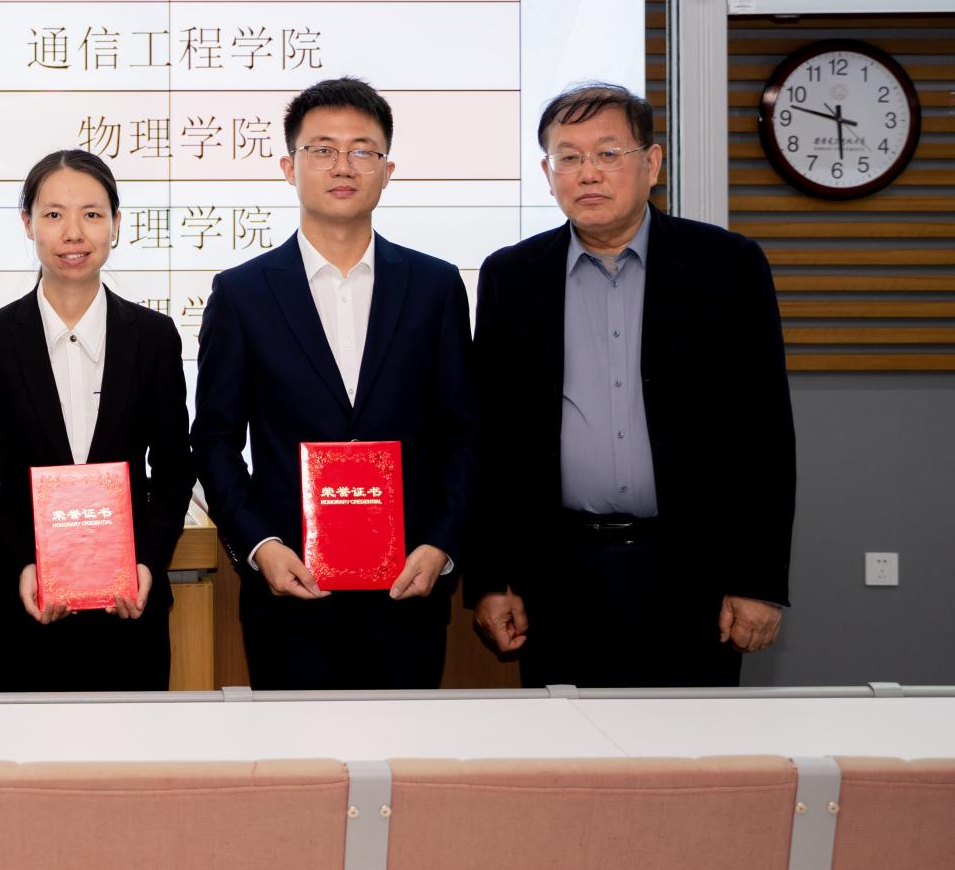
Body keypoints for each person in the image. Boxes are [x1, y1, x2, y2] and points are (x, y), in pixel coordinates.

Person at [468, 83, 794, 687]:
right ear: (547, 173)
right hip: (556, 575)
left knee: (694, 744)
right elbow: (493, 439)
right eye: (569, 156)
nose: (588, 172)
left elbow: (764, 433)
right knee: (563, 744)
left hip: (692, 574)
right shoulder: (512, 276)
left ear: (652, 163)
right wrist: (491, 579)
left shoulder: (726, 266)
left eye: (608, 153)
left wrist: (759, 582)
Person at [191, 78, 480, 689]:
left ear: (387, 171)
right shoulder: (241, 293)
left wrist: (441, 545)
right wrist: (260, 545)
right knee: (295, 747)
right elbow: (215, 439)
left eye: (362, 150)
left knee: (405, 746)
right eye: (322, 149)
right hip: (290, 588)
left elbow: (463, 432)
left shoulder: (434, 287)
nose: (342, 165)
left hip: (408, 586)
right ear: (288, 166)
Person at [0, 150, 194, 691]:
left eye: (92, 214)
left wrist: (147, 562)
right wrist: (21, 564)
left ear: (116, 224)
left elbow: (175, 469)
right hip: (25, 604)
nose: (73, 233)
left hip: (130, 604)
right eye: (54, 214)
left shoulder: (153, 337)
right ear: (27, 223)